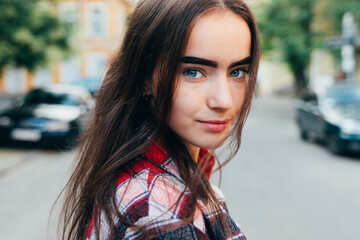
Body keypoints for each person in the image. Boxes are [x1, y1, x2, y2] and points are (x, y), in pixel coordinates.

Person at [59, 0, 260, 239]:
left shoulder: (164, 176)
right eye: (193, 72)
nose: (224, 100)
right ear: (145, 77)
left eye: (237, 72)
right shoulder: (158, 213)